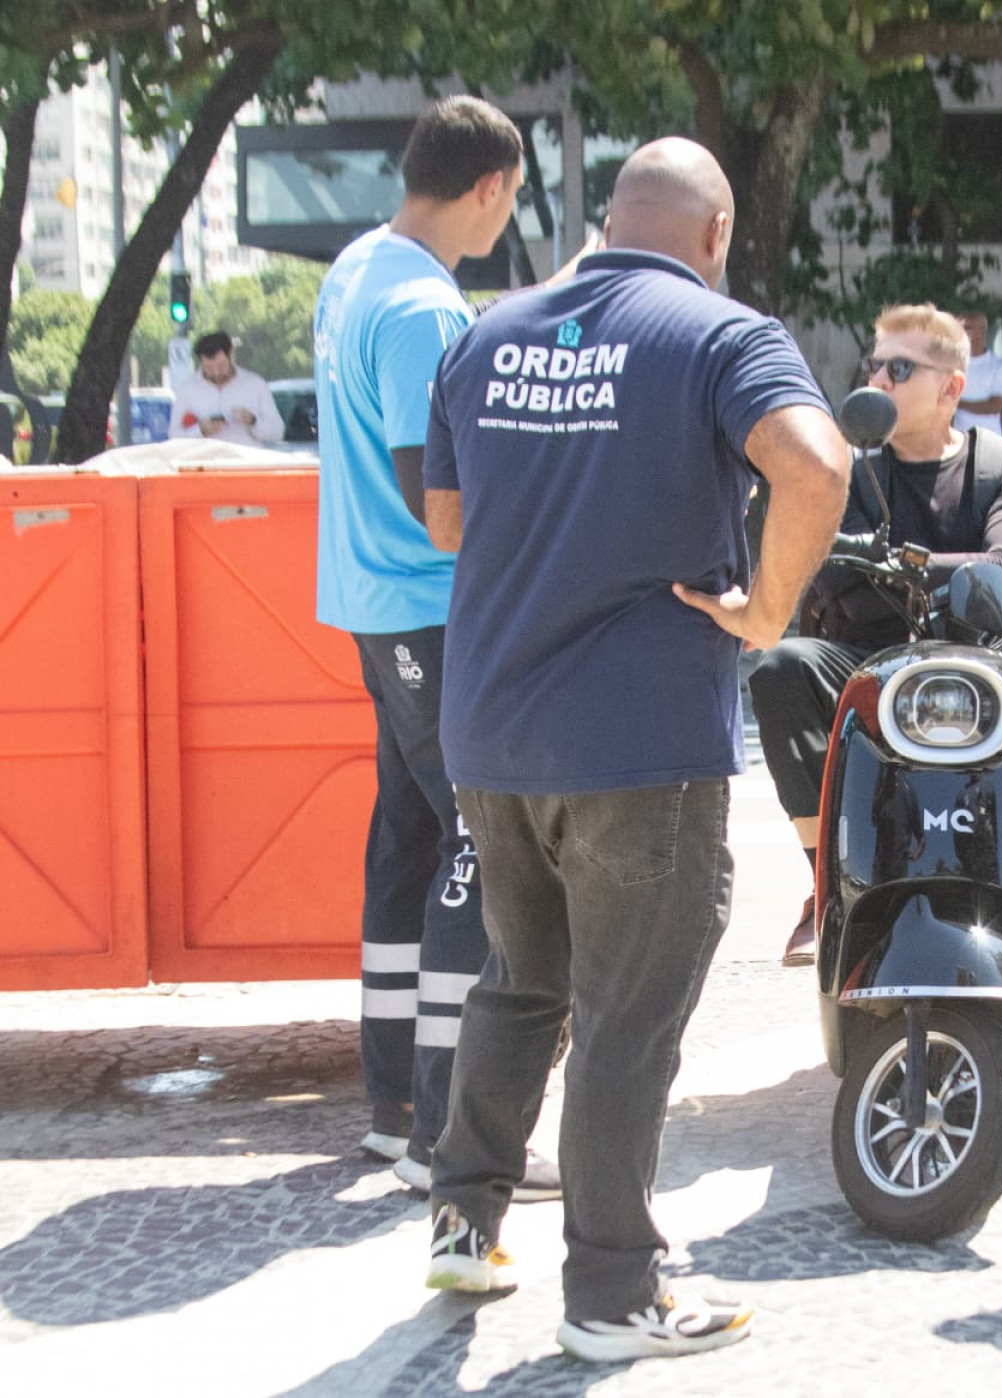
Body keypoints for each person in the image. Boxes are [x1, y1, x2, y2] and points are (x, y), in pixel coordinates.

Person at [418, 137, 851, 1362]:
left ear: (607, 222)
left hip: (492, 727)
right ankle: (613, 1292)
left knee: (522, 975)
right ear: (714, 235)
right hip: (638, 743)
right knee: (627, 1012)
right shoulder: (722, 334)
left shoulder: (488, 333)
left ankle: (462, 1217)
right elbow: (817, 465)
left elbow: (445, 518)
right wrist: (765, 613)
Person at [748, 303, 1002, 1130]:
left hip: (994, 671)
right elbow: (825, 575)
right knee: (783, 667)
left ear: (951, 389)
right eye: (874, 366)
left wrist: (901, 567)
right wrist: (941, 574)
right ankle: (822, 878)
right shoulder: (850, 467)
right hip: (870, 670)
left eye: (898, 370)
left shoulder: (1001, 467)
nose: (877, 380)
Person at [312, 96, 557, 1199]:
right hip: (431, 605)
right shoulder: (419, 306)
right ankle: (445, 1131)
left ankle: (390, 1105)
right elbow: (436, 499)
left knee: (407, 843)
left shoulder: (356, 265)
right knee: (477, 848)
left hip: (371, 605)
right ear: (492, 187)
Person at [168, 331, 285, 446]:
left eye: (221, 366)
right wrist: (200, 430)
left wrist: (253, 421)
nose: (216, 372)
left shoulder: (255, 384)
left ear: (231, 356)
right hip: (205, 462)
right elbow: (173, 435)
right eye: (208, 367)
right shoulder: (187, 389)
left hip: (244, 462)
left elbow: (277, 433)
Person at [954, 311, 1002, 434]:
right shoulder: (950, 364)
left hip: (990, 442)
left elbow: (996, 405)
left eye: (967, 328)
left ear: (981, 332)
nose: (960, 333)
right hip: (958, 441)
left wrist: (958, 403)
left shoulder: (998, 365)